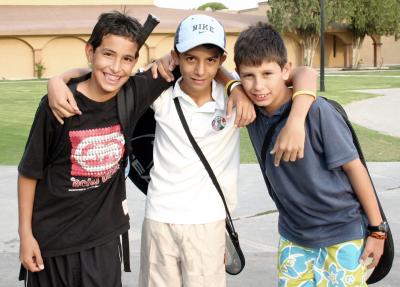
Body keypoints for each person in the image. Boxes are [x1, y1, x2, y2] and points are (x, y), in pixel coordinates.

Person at [46, 15, 317, 287]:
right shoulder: (161, 93)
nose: (200, 69)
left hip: (208, 222)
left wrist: (241, 89)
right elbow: (112, 76)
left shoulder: (238, 95)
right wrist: (58, 79)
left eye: (210, 60)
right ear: (176, 57)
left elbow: (304, 73)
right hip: (160, 218)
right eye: (190, 59)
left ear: (222, 60)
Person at [17, 11, 182, 287]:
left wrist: (233, 86)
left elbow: (195, 58)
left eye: (127, 59)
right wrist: (25, 235)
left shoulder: (133, 92)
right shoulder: (58, 105)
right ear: (90, 52)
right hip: (51, 244)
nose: (116, 67)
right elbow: (29, 173)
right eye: (108, 54)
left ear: (134, 62)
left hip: (103, 244)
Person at [235, 22, 386, 286]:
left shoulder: (317, 112)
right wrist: (235, 89)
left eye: (267, 73)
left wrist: (377, 231)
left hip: (342, 233)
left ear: (285, 70)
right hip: (294, 237)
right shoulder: (252, 112)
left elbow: (355, 168)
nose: (258, 85)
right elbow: (219, 74)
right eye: (248, 76)